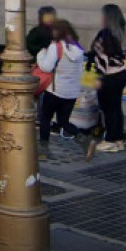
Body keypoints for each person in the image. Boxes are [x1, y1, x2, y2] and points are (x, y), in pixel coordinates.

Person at [36, 20, 85, 160]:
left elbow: (46, 67)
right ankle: (83, 139)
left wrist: (41, 54)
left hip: (55, 90)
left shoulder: (56, 46)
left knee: (45, 118)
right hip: (72, 92)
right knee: (63, 121)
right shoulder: (78, 48)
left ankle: (43, 150)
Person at [90, 4, 126, 153]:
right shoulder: (121, 34)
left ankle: (110, 140)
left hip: (109, 76)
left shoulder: (105, 35)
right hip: (121, 74)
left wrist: (99, 77)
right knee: (116, 108)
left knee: (108, 109)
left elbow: (102, 58)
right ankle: (118, 139)